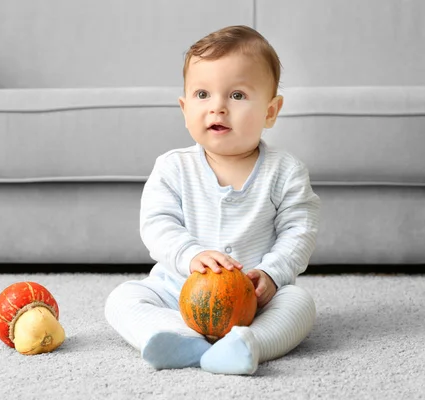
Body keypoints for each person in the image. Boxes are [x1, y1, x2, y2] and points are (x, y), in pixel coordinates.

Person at [105, 25, 321, 375]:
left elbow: (301, 229)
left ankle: (250, 344)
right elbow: (157, 224)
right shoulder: (173, 167)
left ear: (271, 111)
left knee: (299, 304)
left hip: (254, 300)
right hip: (178, 290)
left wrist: (272, 272)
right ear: (184, 107)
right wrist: (191, 255)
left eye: (237, 96)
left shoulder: (286, 171)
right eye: (202, 95)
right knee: (122, 299)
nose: (217, 108)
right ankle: (174, 336)